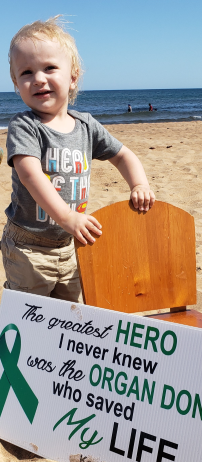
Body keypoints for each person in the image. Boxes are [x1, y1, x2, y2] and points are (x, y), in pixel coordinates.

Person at [1, 16, 155, 304]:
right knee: (29, 316)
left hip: (71, 243)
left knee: (69, 314)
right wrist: (67, 216)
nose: (38, 78)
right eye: (26, 72)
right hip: (29, 247)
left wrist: (139, 184)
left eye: (49, 68)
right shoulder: (25, 126)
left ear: (73, 76)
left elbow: (123, 155)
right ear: (16, 83)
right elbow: (30, 174)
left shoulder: (86, 125)